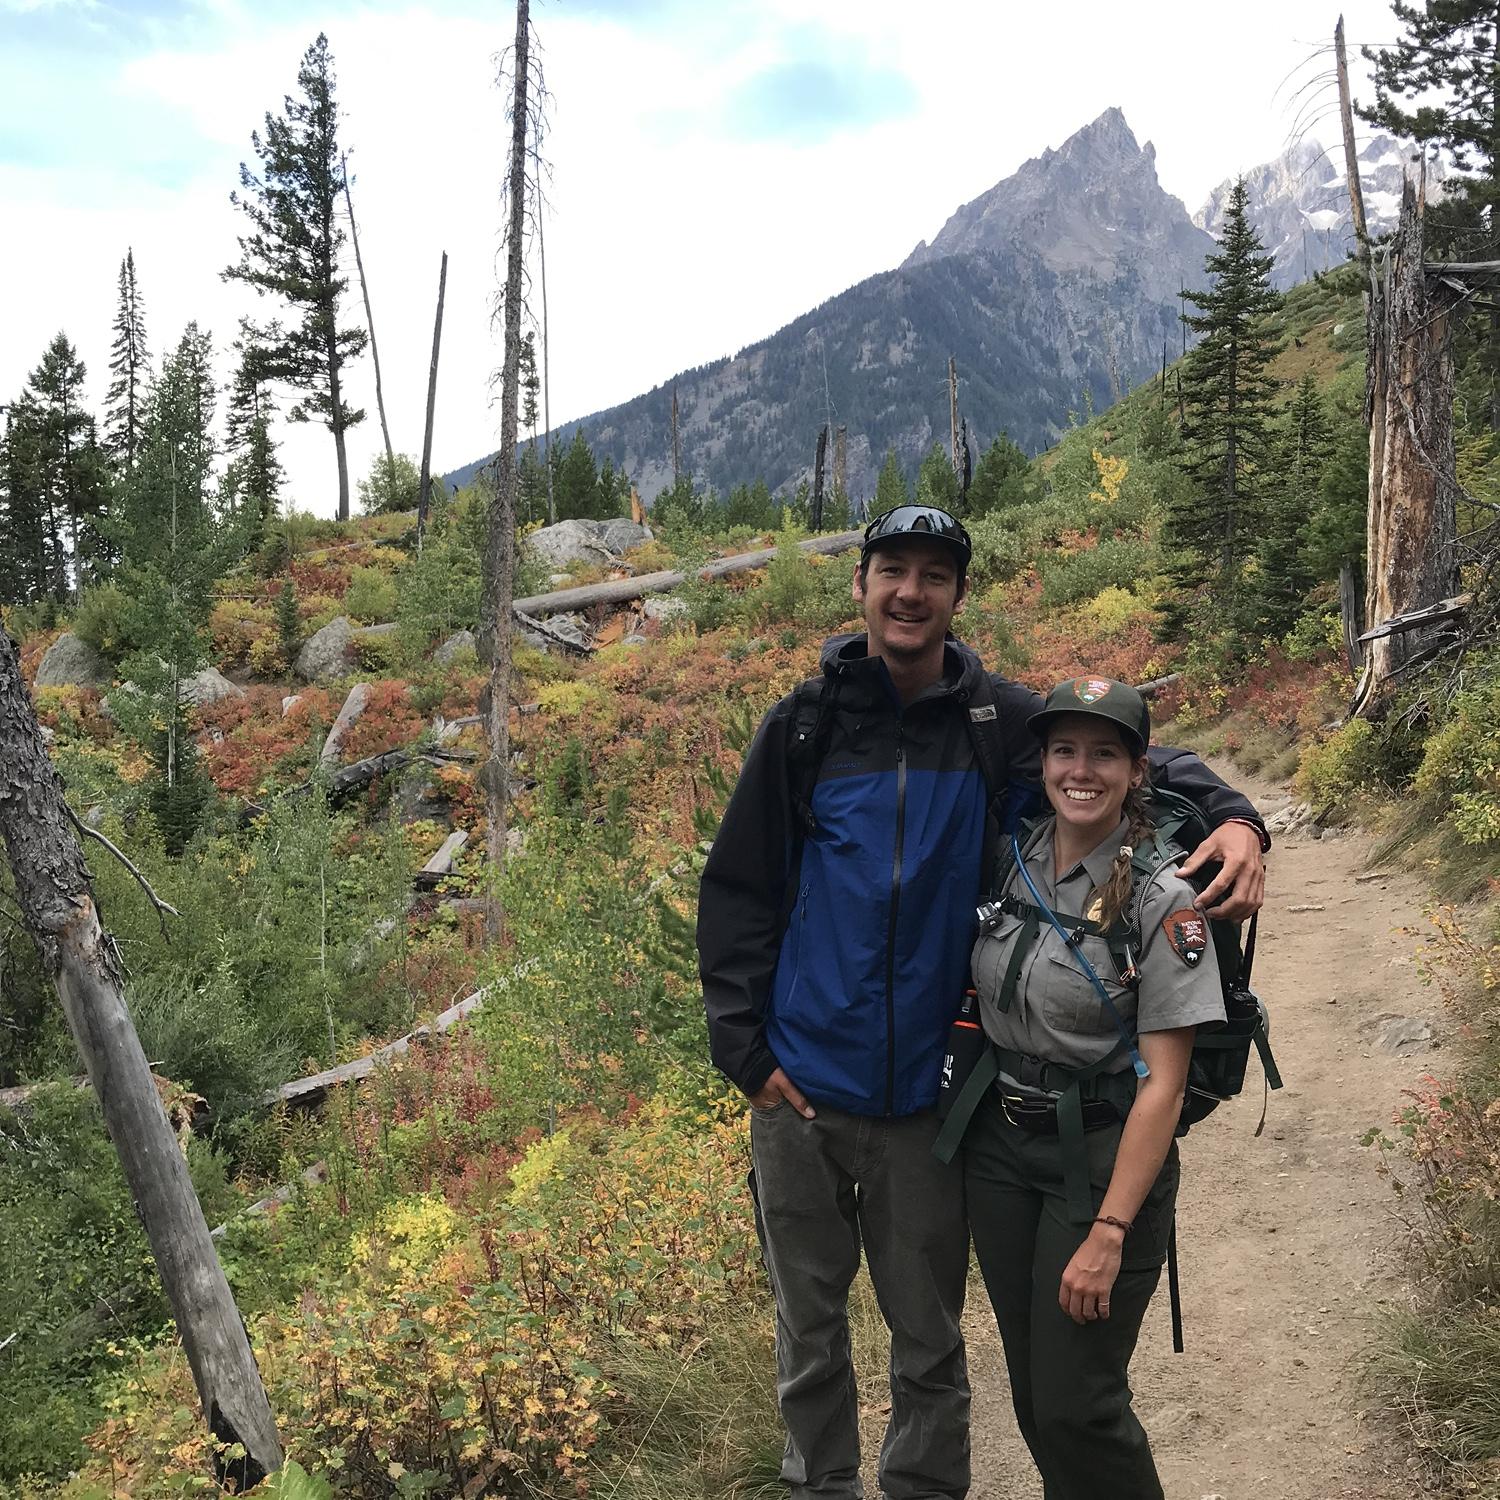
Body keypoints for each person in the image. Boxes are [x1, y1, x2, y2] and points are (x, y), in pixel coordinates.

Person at [697, 505, 1266, 1500]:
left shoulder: (993, 721)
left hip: (925, 1103)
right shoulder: (803, 725)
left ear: (958, 599)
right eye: (892, 570)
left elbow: (1117, 759)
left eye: (933, 574)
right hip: (798, 1092)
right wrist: (746, 1051)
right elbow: (739, 891)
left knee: (926, 1337)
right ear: (863, 586)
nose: (910, 590)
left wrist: (1237, 815)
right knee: (810, 1330)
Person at [959, 675, 1225, 1499]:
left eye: (1104, 753)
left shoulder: (1162, 899)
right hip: (1001, 1154)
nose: (1081, 769)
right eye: (1064, 750)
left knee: (1082, 1405)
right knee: (1039, 1398)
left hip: (1101, 1162)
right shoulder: (1012, 858)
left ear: (1138, 770)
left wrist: (1110, 1231)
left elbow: (1165, 1086)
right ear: (1042, 762)